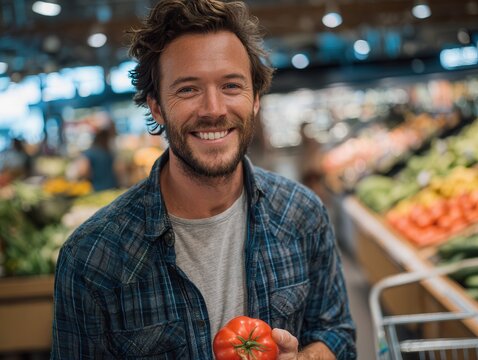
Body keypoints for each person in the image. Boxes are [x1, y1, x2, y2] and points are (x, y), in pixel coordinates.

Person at [51, 0, 356, 359]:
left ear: (255, 99)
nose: (213, 109)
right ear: (156, 107)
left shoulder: (302, 214)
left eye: (231, 85)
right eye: (188, 89)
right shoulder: (92, 259)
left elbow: (336, 334)